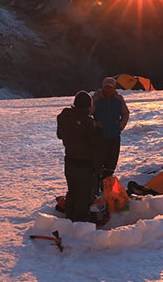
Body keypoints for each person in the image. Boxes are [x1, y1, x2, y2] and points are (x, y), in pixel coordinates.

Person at [56, 91, 101, 222]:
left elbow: (60, 135)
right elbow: (94, 143)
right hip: (84, 164)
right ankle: (79, 223)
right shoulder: (87, 122)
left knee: (72, 190)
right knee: (83, 194)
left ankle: (69, 216)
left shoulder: (65, 117)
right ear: (88, 106)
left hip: (69, 161)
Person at [91, 77, 130, 185]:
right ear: (103, 87)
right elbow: (88, 114)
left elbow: (125, 113)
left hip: (114, 136)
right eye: (106, 87)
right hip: (100, 136)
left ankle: (106, 185)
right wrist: (95, 124)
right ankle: (96, 184)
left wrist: (121, 126)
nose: (108, 89)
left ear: (114, 88)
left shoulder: (119, 99)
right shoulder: (96, 99)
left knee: (111, 163)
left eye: (110, 87)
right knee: (98, 163)